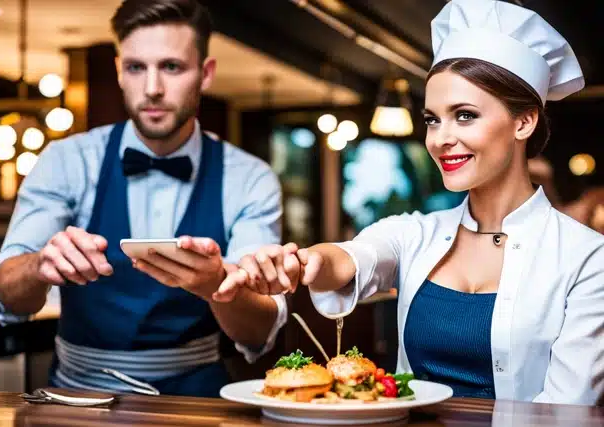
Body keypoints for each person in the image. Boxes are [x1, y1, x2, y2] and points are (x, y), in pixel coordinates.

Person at [216, 0, 604, 405]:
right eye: (433, 119)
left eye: (465, 115)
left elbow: (566, 409)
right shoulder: (413, 233)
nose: (440, 139)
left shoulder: (586, 258)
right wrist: (298, 263)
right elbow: (348, 258)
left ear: (524, 121)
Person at [0, 0, 287, 397]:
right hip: (75, 399)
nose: (152, 89)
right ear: (119, 72)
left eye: (172, 67)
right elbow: (6, 294)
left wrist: (216, 282)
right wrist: (39, 264)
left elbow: (261, 329)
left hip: (195, 402)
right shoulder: (67, 160)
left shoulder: (249, 179)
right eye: (136, 67)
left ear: (206, 73)